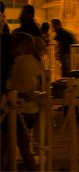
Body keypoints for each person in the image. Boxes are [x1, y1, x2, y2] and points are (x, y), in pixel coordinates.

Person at [1, 32, 43, 171]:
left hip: (20, 109)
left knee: (19, 146)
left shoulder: (23, 62)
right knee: (10, 144)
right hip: (28, 110)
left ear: (20, 46)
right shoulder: (33, 61)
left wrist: (11, 92)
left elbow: (21, 88)